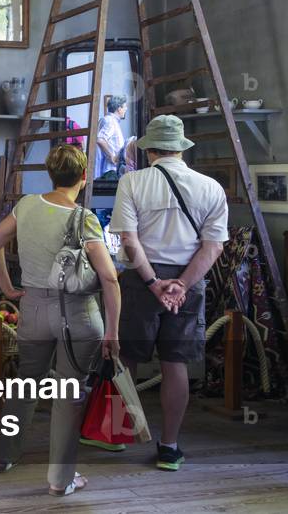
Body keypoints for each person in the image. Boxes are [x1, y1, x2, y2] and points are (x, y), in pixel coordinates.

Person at [0, 144, 121, 497]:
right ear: (84, 176)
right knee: (68, 394)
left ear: (51, 173)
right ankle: (60, 480)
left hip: (32, 309)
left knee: (25, 383)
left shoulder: (27, 205)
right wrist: (113, 331)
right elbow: (109, 277)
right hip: (76, 315)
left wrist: (8, 287)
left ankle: (3, 455)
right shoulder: (83, 218)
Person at [109, 115, 228, 471]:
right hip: (188, 282)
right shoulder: (211, 188)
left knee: (127, 359)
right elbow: (214, 247)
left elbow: (129, 241)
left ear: (150, 151)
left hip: (141, 281)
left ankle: (119, 432)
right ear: (181, 149)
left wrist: (152, 283)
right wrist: (182, 284)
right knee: (174, 364)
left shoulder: (132, 182)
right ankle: (170, 446)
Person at [96, 95, 128, 177]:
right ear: (119, 108)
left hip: (110, 170)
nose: (126, 109)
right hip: (109, 170)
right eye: (125, 106)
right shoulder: (110, 121)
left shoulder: (109, 120)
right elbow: (100, 140)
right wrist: (112, 157)